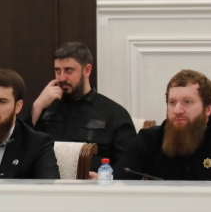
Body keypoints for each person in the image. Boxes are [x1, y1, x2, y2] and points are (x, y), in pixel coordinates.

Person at [115, 69, 211, 181]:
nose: (177, 110)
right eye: (172, 102)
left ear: (208, 109)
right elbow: (118, 185)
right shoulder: (149, 139)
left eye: (187, 102)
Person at [29, 42, 135, 175]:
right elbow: (20, 147)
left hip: (93, 185)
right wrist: (37, 106)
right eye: (58, 70)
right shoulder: (45, 107)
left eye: (68, 70)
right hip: (45, 183)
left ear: (87, 70)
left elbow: (130, 166)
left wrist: (107, 178)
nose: (61, 78)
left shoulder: (114, 113)